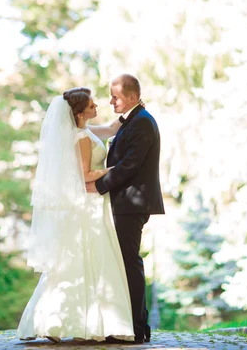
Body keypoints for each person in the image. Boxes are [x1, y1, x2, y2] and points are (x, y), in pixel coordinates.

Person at [17, 87, 136, 343]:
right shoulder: (81, 137)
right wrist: (113, 170)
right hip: (90, 203)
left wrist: (133, 109)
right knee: (87, 261)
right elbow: (84, 174)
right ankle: (59, 321)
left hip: (94, 202)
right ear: (80, 113)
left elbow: (112, 129)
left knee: (84, 262)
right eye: (92, 106)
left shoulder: (87, 131)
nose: (97, 108)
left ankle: (67, 321)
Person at [86, 74, 165, 343]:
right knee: (123, 262)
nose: (111, 101)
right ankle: (130, 325)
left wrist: (97, 186)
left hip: (132, 204)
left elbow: (130, 165)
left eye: (116, 97)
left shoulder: (142, 123)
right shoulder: (132, 120)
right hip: (124, 203)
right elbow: (108, 133)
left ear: (132, 97)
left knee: (129, 262)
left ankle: (137, 328)